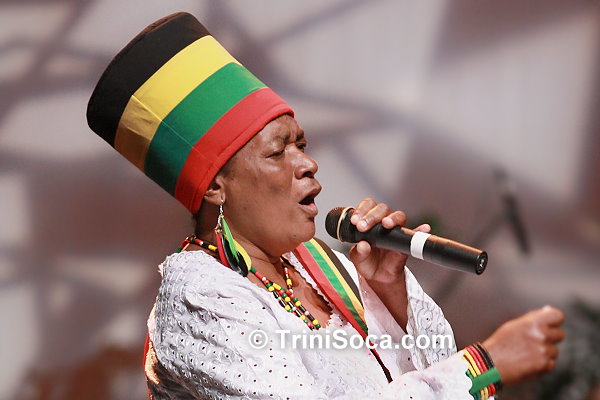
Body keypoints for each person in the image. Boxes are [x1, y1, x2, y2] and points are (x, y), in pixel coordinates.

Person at [86, 12, 565, 400]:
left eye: (302, 144)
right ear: (214, 187)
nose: (308, 163)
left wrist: (389, 297)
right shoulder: (200, 296)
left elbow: (424, 368)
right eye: (278, 152)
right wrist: (484, 366)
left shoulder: (317, 265)